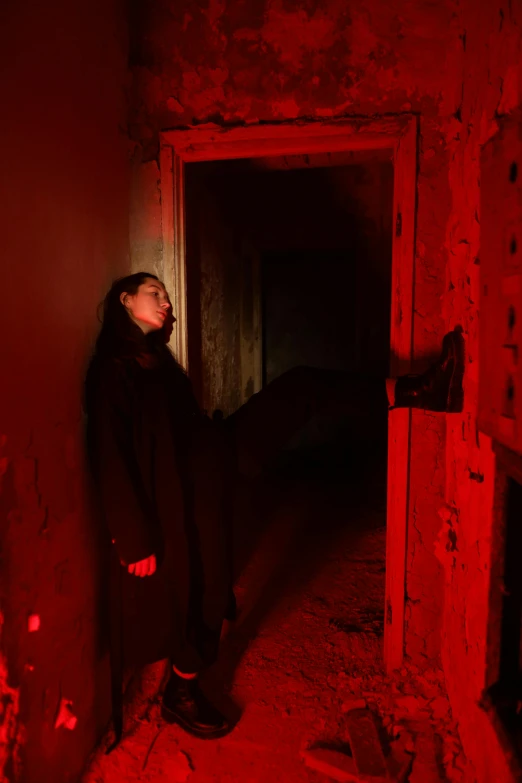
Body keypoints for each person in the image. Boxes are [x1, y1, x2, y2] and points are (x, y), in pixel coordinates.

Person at [85, 271, 464, 746]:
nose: (166, 304)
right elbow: (110, 454)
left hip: (218, 458)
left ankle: (420, 391)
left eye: (166, 297)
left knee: (302, 386)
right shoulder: (114, 369)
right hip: (184, 495)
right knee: (208, 585)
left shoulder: (155, 361)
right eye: (155, 294)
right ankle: (180, 692)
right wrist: (133, 538)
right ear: (125, 299)